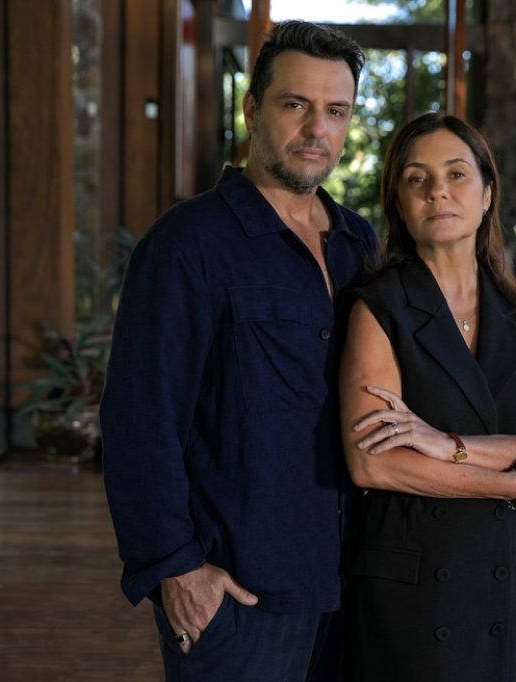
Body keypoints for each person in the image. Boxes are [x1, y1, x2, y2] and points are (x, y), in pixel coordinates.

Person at [100, 21, 376, 682]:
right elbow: (139, 419)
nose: (317, 129)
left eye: (336, 111)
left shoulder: (359, 243)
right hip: (239, 589)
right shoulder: (186, 244)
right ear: (252, 110)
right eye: (295, 104)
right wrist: (174, 566)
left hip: (354, 580)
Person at [338, 112, 516, 682]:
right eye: (417, 179)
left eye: (456, 174)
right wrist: (514, 480)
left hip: (506, 571)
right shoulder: (378, 308)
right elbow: (373, 464)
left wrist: (443, 443)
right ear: (399, 202)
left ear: (487, 192)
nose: (438, 191)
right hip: (412, 578)